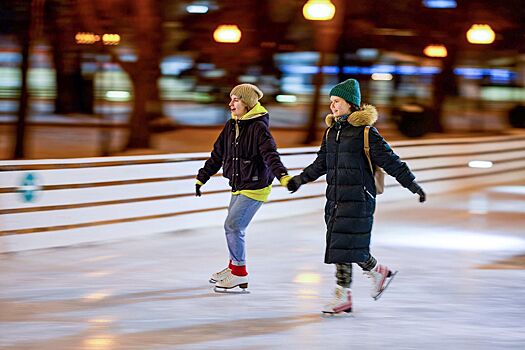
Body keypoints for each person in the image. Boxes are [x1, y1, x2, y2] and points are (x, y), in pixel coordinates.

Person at [287, 78, 426, 314]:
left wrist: (412, 184)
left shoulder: (366, 133)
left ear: (351, 103)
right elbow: (321, 163)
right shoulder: (332, 132)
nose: (332, 106)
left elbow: (392, 162)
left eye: (337, 101)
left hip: (359, 199)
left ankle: (345, 293)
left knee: (345, 245)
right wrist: (300, 179)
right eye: (331, 102)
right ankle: (373, 276)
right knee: (343, 245)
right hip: (336, 198)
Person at [196, 83, 291, 292]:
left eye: (236, 99)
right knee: (232, 227)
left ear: (247, 103)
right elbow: (217, 155)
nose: (231, 103)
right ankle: (233, 267)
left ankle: (239, 273)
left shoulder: (259, 128)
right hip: (239, 184)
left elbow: (271, 155)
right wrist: (202, 177)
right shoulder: (232, 125)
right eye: (231, 99)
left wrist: (283, 176)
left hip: (256, 186)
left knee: (233, 226)